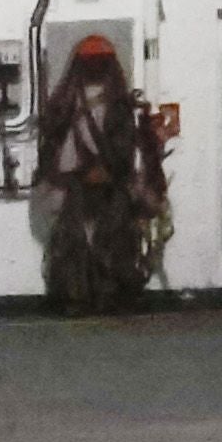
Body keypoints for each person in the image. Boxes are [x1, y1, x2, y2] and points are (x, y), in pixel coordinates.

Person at [34, 33, 168, 313]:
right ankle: (106, 296)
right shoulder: (120, 103)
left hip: (80, 184)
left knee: (82, 241)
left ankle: (80, 297)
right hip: (103, 183)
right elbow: (127, 146)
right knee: (106, 240)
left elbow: (52, 146)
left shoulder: (65, 101)